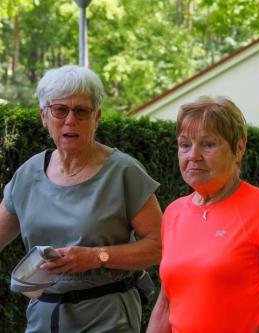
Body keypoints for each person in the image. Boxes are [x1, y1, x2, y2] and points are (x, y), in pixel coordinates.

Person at [0, 65, 162, 333]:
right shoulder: (28, 174)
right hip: (45, 317)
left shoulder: (123, 171)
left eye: (81, 111)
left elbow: (159, 246)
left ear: (97, 117)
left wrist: (96, 256)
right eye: (60, 110)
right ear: (44, 116)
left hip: (108, 317)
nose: (70, 120)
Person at [146, 96, 259, 333]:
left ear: (239, 148)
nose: (193, 156)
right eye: (185, 145)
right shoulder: (174, 213)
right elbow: (166, 305)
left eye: (208, 145)